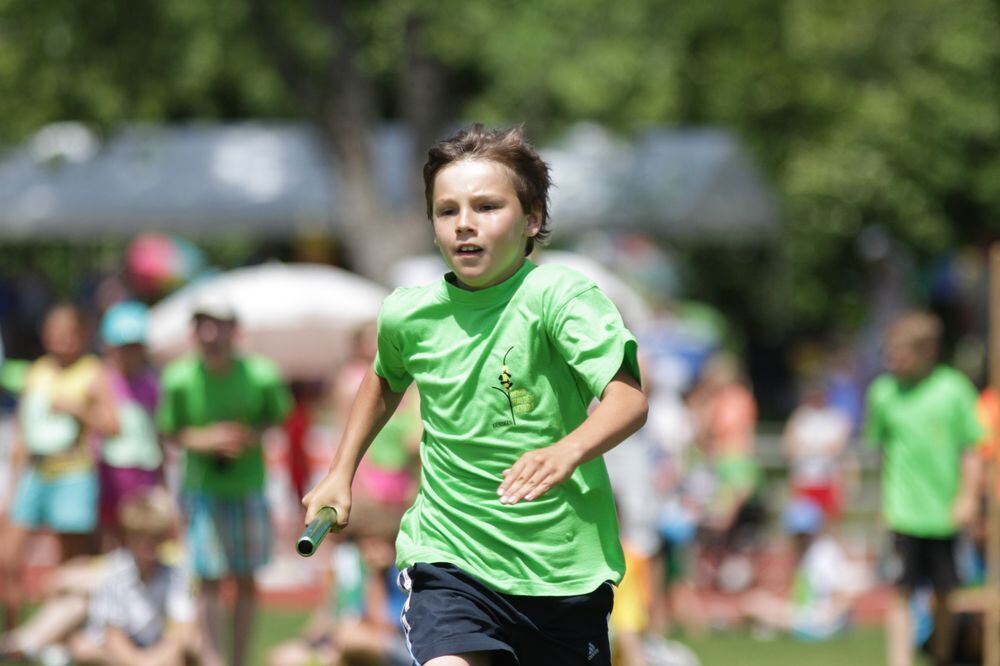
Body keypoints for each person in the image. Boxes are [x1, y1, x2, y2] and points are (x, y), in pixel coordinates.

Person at [304, 123, 648, 666]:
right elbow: (384, 379)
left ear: (531, 218)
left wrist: (567, 450)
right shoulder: (408, 313)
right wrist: (339, 472)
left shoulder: (560, 296)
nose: (465, 223)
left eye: (487, 207)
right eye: (447, 210)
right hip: (450, 555)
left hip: (561, 566)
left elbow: (629, 400)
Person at [157, 294, 291, 666]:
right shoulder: (178, 377)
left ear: (234, 331)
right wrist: (206, 439)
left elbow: (277, 417)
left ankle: (240, 659)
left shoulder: (262, 374)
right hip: (203, 491)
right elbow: (169, 431)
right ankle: (213, 660)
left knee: (246, 578)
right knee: (209, 579)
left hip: (249, 487)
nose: (210, 334)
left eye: (218, 326)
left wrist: (246, 437)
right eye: (203, 325)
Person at [865, 311, 982, 666]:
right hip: (903, 512)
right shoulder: (883, 393)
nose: (893, 361)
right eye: (890, 353)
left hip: (944, 513)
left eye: (901, 354)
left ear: (927, 351)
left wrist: (967, 497)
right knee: (900, 592)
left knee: (945, 594)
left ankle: (942, 658)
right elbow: (880, 453)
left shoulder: (954, 390)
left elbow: (972, 449)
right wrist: (883, 504)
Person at [1, 304, 109, 629]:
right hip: (35, 472)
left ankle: (60, 636)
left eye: (68, 334)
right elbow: (23, 434)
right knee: (7, 559)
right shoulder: (37, 373)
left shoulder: (93, 372)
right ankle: (13, 637)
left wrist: (78, 410)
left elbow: (111, 425)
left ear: (82, 336)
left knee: (71, 566)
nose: (61, 340)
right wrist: (13, 487)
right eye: (55, 333)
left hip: (73, 474)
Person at [267, 499, 411, 666]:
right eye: (365, 545)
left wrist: (377, 576)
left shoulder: (400, 576)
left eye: (376, 545)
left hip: (397, 645)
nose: (370, 552)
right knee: (282, 658)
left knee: (352, 640)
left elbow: (384, 627)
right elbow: (329, 612)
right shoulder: (349, 563)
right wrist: (306, 642)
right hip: (345, 637)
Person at [740, 498, 868, 642]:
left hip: (819, 620)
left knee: (755, 605)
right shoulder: (809, 553)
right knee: (755, 601)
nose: (796, 538)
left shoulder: (824, 552)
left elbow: (844, 593)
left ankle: (768, 626)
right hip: (808, 615)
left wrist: (828, 619)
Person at [95, 301, 164, 547]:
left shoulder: (152, 384)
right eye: (123, 348)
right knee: (113, 532)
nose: (129, 354)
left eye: (135, 347)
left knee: (145, 531)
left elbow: (157, 432)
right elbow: (109, 426)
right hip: (112, 470)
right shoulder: (102, 380)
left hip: (145, 468)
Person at [782, 379, 851, 520]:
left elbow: (838, 447)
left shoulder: (835, 417)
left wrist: (809, 448)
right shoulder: (800, 416)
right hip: (804, 478)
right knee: (802, 521)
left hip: (828, 478)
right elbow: (789, 445)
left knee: (830, 520)